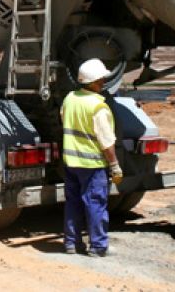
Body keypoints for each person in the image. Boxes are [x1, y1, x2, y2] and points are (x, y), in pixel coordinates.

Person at [60, 58, 123, 257]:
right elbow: (106, 142)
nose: (104, 82)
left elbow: (64, 120)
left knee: (73, 203)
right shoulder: (98, 107)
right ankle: (98, 246)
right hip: (92, 164)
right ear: (95, 81)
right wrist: (114, 166)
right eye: (102, 79)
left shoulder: (70, 99)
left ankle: (71, 244)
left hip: (71, 163)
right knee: (95, 204)